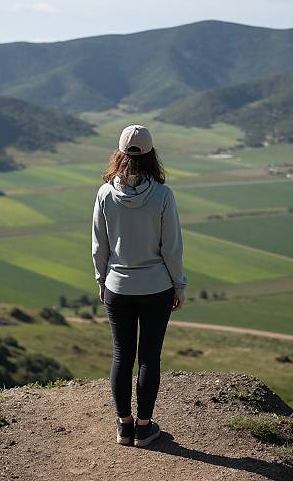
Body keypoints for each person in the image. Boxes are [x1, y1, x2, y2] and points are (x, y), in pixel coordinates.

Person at [91, 124, 188, 447]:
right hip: (156, 287)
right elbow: (171, 247)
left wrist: (102, 281)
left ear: (119, 154)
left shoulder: (105, 194)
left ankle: (124, 426)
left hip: (118, 287)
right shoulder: (163, 195)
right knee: (149, 357)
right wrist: (179, 286)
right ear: (151, 156)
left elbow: (98, 246)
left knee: (121, 355)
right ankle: (144, 428)